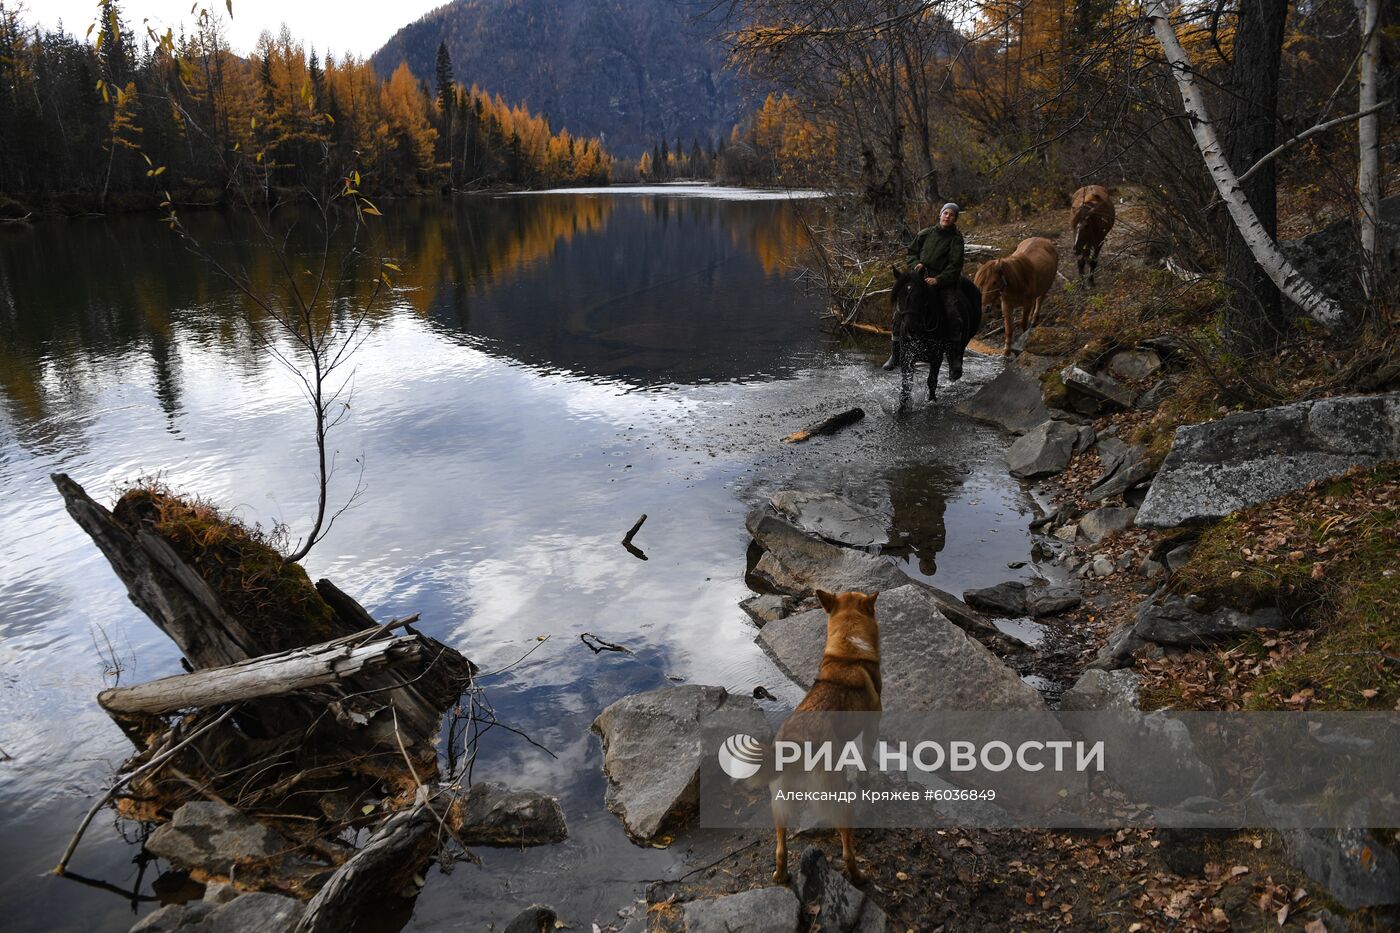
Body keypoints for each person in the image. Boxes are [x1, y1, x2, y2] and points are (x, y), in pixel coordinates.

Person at [883, 202, 965, 372]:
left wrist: (938, 279)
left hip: (943, 281)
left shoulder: (956, 240)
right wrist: (916, 264)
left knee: (953, 312)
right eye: (945, 213)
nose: (947, 216)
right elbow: (912, 252)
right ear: (940, 215)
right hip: (920, 277)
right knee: (901, 309)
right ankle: (895, 352)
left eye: (951, 215)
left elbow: (955, 265)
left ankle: (955, 358)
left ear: (955, 219)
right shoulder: (925, 233)